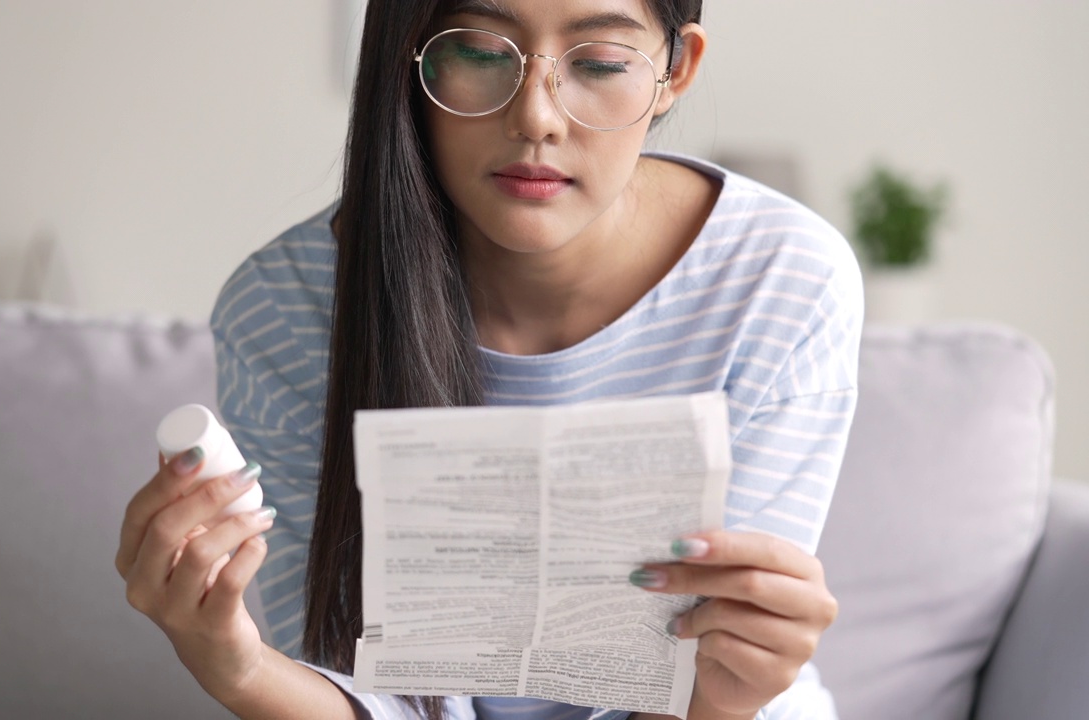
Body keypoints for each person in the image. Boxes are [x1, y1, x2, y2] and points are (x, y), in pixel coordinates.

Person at [115, 0, 863, 718]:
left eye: (600, 61)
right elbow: (367, 694)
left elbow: (722, 669)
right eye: (477, 51)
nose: (535, 117)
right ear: (408, 60)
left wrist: (721, 701)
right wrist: (237, 667)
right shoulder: (285, 305)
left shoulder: (786, 282)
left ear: (677, 68)